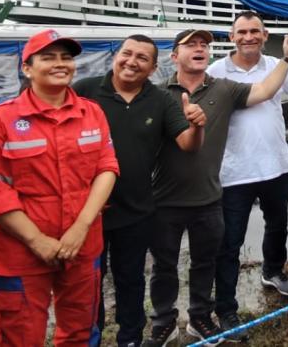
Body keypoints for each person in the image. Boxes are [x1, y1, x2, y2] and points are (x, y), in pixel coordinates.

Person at [147, 29, 288, 346]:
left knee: (205, 262)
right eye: (191, 44)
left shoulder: (225, 89)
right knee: (164, 266)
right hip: (164, 198)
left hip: (208, 195)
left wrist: (287, 58)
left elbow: (264, 89)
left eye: (204, 44)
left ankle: (200, 319)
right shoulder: (157, 94)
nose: (200, 48)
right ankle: (163, 323)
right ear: (174, 55)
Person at [0, 29, 119, 346]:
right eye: (48, 57)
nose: (60, 64)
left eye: (66, 57)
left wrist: (81, 227)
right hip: (20, 252)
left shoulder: (91, 112)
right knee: (20, 335)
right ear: (27, 68)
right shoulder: (2, 120)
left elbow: (106, 169)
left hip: (82, 245)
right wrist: (36, 240)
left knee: (80, 332)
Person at [73, 35, 206, 347]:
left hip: (136, 211)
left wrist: (198, 126)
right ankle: (88, 338)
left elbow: (187, 144)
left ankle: (130, 339)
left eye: (142, 58)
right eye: (127, 53)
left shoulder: (160, 100)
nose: (132, 61)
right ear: (115, 55)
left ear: (153, 67)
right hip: (87, 211)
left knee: (130, 281)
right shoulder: (84, 91)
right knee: (87, 284)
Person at [208, 11, 288, 340]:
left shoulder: (276, 64)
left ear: (264, 33)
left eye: (254, 31)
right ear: (231, 37)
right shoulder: (216, 71)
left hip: (276, 165)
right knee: (229, 243)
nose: (248, 37)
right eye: (241, 31)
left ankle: (273, 270)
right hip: (234, 171)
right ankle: (226, 308)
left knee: (278, 226)